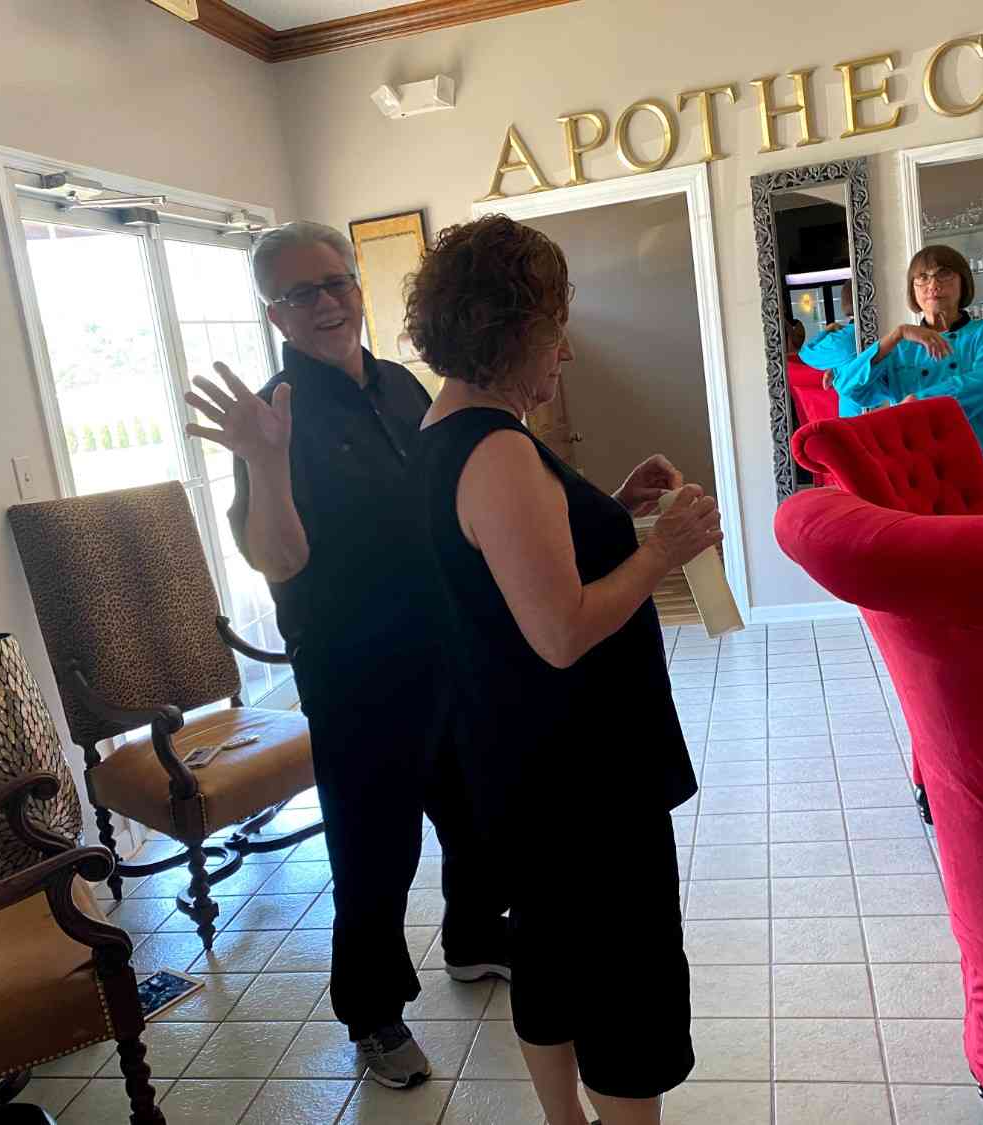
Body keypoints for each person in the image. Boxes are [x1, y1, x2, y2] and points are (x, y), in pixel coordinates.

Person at [407, 214, 720, 1125]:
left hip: (520, 764)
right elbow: (560, 629)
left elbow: (514, 563)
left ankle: (564, 1121)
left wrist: (609, 513)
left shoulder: (449, 429)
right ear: (512, 331)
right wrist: (665, 552)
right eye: (555, 326)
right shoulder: (498, 449)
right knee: (623, 977)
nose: (566, 352)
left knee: (549, 949)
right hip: (580, 776)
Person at [183, 221, 510, 1089]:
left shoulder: (403, 383)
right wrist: (266, 457)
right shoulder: (272, 413)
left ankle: (475, 937)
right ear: (274, 314)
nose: (326, 302)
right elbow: (278, 560)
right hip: (357, 673)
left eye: (336, 282)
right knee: (377, 851)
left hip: (446, 645)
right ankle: (372, 1013)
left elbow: (458, 492)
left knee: (474, 809)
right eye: (301, 293)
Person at [830, 244, 983, 513]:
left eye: (944, 275)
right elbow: (848, 388)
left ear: (963, 283)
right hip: (929, 477)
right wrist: (896, 336)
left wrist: (920, 403)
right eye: (923, 278)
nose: (933, 285)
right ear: (913, 290)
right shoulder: (900, 348)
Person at [798, 280, 869, 415]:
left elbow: (806, 353)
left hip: (854, 416)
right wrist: (835, 370)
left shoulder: (842, 340)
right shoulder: (857, 335)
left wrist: (828, 329)